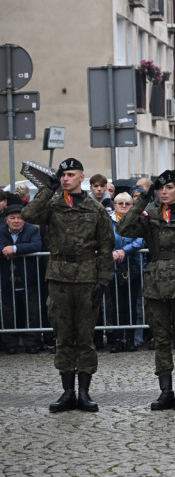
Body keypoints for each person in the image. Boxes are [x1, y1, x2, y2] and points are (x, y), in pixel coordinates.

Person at [22, 158, 114, 413]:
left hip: (86, 277)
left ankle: (84, 392)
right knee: (63, 337)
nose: (65, 178)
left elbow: (106, 246)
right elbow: (29, 215)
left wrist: (103, 280)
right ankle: (67, 392)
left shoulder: (95, 210)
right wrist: (47, 189)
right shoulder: (52, 204)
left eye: (70, 175)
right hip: (60, 277)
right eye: (62, 175)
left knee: (85, 337)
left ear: (81, 177)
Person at [118, 170, 175, 411]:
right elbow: (125, 228)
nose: (164, 192)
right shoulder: (150, 214)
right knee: (161, 340)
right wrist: (143, 200)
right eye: (160, 188)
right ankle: (165, 391)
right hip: (155, 282)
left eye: (169, 188)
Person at [1, 203, 43, 354]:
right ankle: (10, 343)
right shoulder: (0, 231)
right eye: (12, 218)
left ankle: (32, 342)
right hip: (7, 279)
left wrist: (15, 249)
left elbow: (37, 246)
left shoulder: (32, 230)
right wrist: (4, 249)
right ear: (6, 220)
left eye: (20, 218)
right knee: (7, 311)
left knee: (32, 310)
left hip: (28, 278)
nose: (16, 221)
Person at [107, 192, 145, 353]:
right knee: (115, 304)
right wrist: (113, 251)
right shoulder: (108, 221)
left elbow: (141, 239)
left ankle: (130, 339)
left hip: (132, 266)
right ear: (114, 205)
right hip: (113, 266)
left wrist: (125, 250)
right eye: (120, 203)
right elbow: (104, 238)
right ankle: (116, 339)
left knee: (131, 304)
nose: (123, 206)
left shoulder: (136, 220)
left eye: (127, 204)